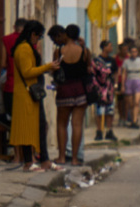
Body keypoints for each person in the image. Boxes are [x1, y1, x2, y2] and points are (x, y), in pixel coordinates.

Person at [9, 20, 61, 171]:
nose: (38, 40)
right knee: (27, 129)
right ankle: (29, 162)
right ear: (32, 34)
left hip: (30, 94)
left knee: (39, 126)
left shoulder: (26, 47)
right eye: (38, 37)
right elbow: (27, 71)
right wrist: (47, 66)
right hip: (26, 94)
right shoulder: (24, 49)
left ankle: (43, 159)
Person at [54, 24, 90, 166]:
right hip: (80, 91)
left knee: (62, 124)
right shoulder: (84, 51)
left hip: (64, 91)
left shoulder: (58, 52)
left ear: (66, 35)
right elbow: (89, 68)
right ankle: (75, 158)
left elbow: (55, 71)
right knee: (77, 125)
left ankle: (62, 157)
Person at [0, 18, 27, 155]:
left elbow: (3, 63)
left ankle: (16, 155)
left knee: (14, 122)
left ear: (14, 27)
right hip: (26, 88)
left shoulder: (7, 40)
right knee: (26, 121)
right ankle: (27, 154)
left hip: (10, 86)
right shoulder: (30, 42)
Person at [94, 40, 120, 142]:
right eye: (109, 46)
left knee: (110, 110)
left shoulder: (112, 60)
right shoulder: (97, 60)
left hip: (110, 88)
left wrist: (116, 84)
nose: (111, 48)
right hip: (100, 88)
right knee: (99, 111)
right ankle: (99, 131)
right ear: (104, 47)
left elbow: (116, 72)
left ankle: (109, 130)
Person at [121, 45, 140, 128]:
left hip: (138, 80)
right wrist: (122, 85)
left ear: (137, 52)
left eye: (135, 51)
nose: (134, 53)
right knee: (130, 104)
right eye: (132, 52)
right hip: (129, 81)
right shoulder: (126, 61)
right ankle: (132, 120)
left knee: (136, 102)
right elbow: (124, 73)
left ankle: (135, 120)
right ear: (130, 53)